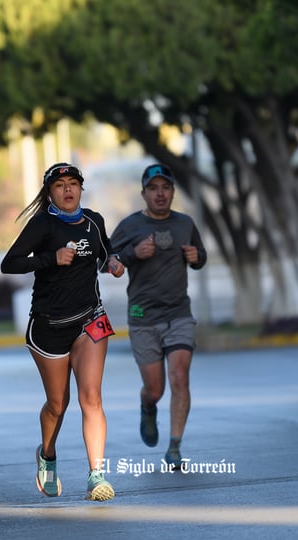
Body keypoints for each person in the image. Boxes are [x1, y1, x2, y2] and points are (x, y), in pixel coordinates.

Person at [1, 162, 124, 501]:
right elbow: (9, 263)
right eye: (60, 185)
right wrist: (49, 259)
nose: (68, 190)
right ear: (50, 192)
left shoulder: (94, 221)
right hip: (48, 326)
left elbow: (104, 251)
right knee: (58, 404)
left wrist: (112, 262)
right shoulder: (42, 224)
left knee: (92, 397)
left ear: (81, 188)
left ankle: (96, 475)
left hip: (90, 319)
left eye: (73, 183)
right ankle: (48, 454)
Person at [109, 163, 208, 469]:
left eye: (165, 188)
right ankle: (147, 405)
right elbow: (107, 261)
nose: (160, 193)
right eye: (153, 188)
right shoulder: (129, 226)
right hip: (143, 316)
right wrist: (130, 256)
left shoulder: (185, 223)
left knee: (180, 376)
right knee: (156, 388)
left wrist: (196, 258)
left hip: (178, 313)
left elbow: (200, 256)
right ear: (144, 193)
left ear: (172, 192)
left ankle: (175, 447)